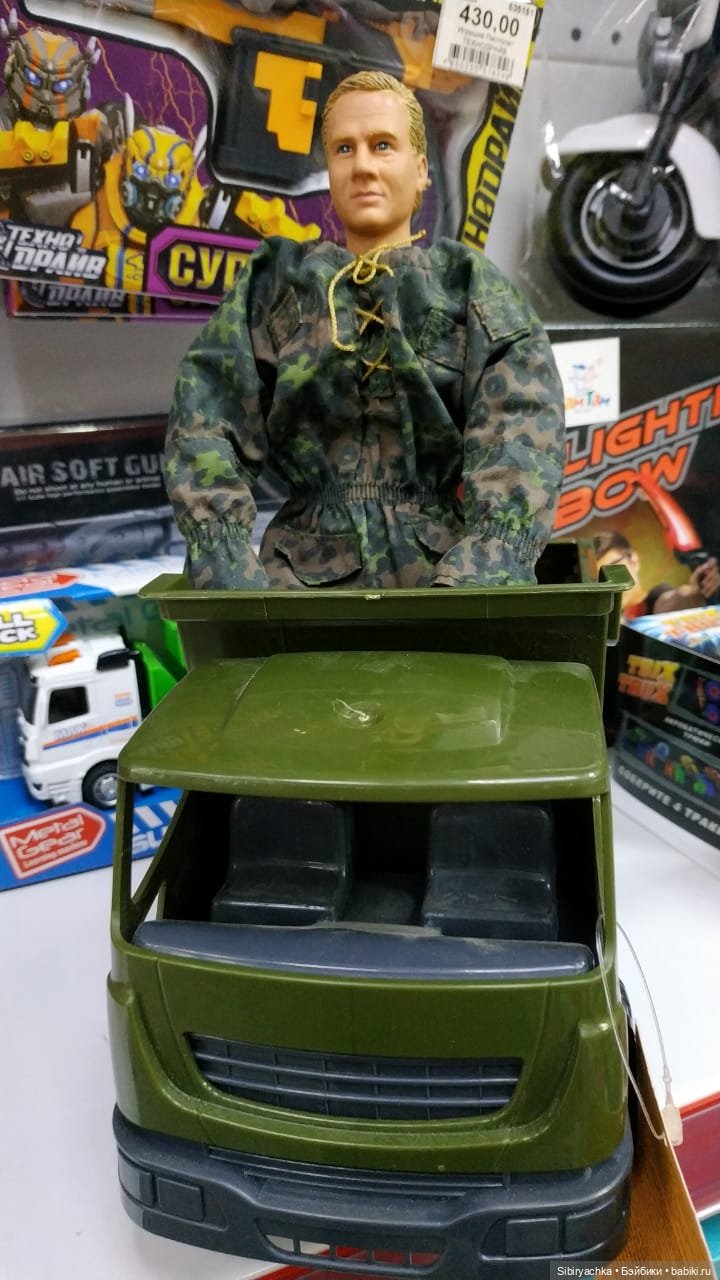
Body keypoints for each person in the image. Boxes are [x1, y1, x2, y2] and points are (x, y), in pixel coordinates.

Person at [164, 70, 565, 590]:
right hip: (301, 576)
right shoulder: (278, 284)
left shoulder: (464, 286)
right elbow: (207, 415)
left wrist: (492, 558)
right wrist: (223, 559)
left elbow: (521, 422)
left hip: (445, 577)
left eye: (383, 145)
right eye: (344, 149)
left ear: (421, 169)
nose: (363, 166)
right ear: (328, 169)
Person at [594, 529, 720, 618]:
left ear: (633, 559)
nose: (606, 582)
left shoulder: (656, 601)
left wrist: (697, 591)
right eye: (598, 577)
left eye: (611, 569)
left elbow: (675, 600)